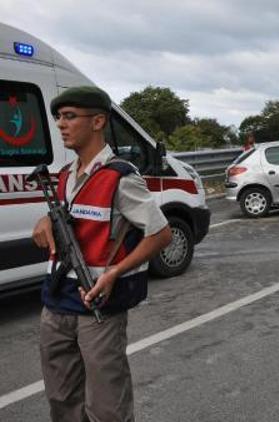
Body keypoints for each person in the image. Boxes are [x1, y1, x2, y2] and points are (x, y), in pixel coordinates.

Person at [31, 86, 173, 421]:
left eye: (69, 117)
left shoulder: (120, 176)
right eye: (58, 118)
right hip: (55, 302)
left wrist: (114, 273)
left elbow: (161, 233)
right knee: (61, 399)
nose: (61, 125)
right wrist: (44, 220)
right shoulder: (65, 176)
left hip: (98, 306)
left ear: (97, 122)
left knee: (107, 406)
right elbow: (65, 218)